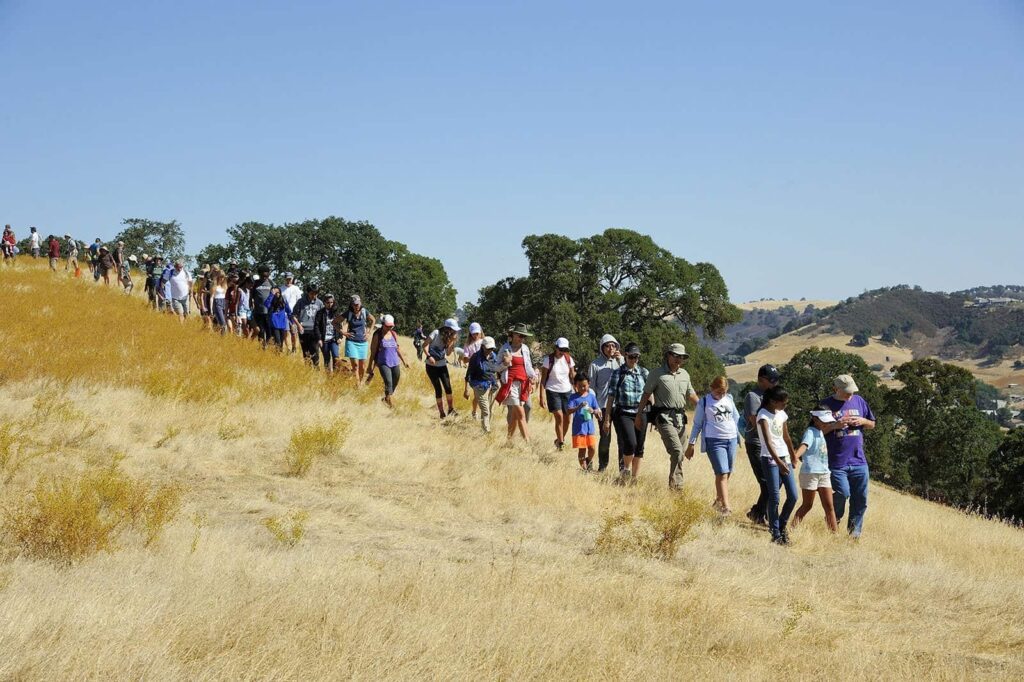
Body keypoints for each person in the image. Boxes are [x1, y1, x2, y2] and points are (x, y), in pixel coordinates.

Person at [813, 374, 876, 539]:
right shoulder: (825, 405)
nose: (850, 395)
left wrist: (862, 421)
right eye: (847, 392)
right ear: (836, 389)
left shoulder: (859, 401)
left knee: (860, 500)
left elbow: (872, 424)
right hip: (836, 461)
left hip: (859, 461)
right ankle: (834, 520)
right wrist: (836, 425)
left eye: (852, 391)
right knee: (842, 493)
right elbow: (816, 431)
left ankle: (854, 535)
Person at [634, 343, 699, 490]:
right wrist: (639, 414)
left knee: (680, 454)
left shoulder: (685, 375)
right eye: (675, 355)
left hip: (681, 418)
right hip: (663, 417)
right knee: (677, 450)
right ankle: (676, 486)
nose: (678, 359)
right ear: (668, 355)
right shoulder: (656, 374)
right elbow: (646, 394)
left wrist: (704, 408)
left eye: (681, 357)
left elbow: (691, 394)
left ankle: (676, 486)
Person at [686, 376, 742, 514]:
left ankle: (718, 501)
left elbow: (737, 418)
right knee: (721, 472)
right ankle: (726, 507)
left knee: (727, 472)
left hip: (731, 439)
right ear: (712, 388)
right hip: (714, 441)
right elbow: (697, 424)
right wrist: (691, 444)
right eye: (718, 392)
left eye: (723, 392)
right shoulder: (704, 402)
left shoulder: (729, 399)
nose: (721, 395)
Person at [603, 342, 650, 484]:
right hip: (624, 412)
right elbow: (611, 396)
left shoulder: (644, 372)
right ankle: (625, 471)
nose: (634, 360)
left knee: (640, 446)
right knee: (630, 442)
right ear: (625, 355)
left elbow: (649, 394)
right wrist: (607, 418)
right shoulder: (618, 373)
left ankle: (635, 479)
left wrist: (653, 413)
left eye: (637, 357)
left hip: (641, 412)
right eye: (631, 357)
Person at [757, 386, 798, 545]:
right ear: (773, 401)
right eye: (783, 403)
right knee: (774, 496)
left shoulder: (781, 414)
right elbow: (768, 442)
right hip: (770, 458)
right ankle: (775, 532)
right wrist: (778, 462)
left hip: (784, 457)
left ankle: (782, 524)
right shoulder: (763, 415)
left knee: (793, 495)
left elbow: (786, 437)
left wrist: (792, 456)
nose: (785, 406)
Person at [742, 364, 781, 525]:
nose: (775, 383)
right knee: (766, 481)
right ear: (761, 380)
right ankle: (760, 514)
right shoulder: (753, 396)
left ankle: (758, 513)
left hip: (771, 444)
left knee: (775, 482)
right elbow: (754, 420)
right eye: (771, 380)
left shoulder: (773, 397)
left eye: (776, 380)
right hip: (757, 443)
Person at [792, 409, 839, 532]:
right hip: (810, 473)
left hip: (824, 473)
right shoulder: (810, 432)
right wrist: (795, 457)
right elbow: (804, 445)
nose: (827, 424)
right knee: (807, 505)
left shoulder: (820, 431)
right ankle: (792, 528)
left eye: (828, 421)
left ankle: (835, 535)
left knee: (829, 507)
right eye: (824, 421)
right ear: (815, 419)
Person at [496, 324, 536, 442]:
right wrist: (505, 363)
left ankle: (509, 440)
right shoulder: (505, 349)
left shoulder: (525, 349)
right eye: (519, 335)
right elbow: (496, 367)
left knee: (520, 411)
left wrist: (533, 377)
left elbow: (528, 365)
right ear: (512, 335)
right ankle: (527, 441)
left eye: (523, 336)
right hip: (511, 384)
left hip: (523, 384)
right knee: (521, 413)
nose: (521, 338)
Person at [588, 334, 622, 471]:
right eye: (607, 346)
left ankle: (623, 467)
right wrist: (593, 407)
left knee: (622, 438)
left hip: (619, 405)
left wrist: (620, 360)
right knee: (605, 437)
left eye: (613, 345)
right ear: (602, 348)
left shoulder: (620, 362)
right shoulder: (595, 364)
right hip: (602, 405)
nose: (610, 348)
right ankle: (602, 466)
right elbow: (591, 388)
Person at [539, 337, 576, 451]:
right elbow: (543, 378)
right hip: (552, 390)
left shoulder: (569, 359)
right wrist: (542, 396)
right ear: (556, 348)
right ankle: (561, 444)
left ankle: (559, 439)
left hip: (567, 391)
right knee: (559, 417)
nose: (562, 352)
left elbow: (572, 376)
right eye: (560, 349)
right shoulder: (548, 360)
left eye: (565, 349)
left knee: (567, 419)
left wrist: (578, 391)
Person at [465, 336, 508, 433]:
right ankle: (487, 431)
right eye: (488, 348)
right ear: (483, 346)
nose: (490, 350)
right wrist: (466, 389)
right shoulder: (475, 358)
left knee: (490, 409)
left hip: (493, 385)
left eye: (492, 348)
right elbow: (469, 374)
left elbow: (496, 370)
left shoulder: (494, 356)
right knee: (485, 410)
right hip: (479, 386)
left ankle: (487, 428)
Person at [366, 314, 410, 406]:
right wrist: (370, 366)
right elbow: (373, 352)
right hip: (383, 363)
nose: (389, 328)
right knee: (388, 382)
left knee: (396, 380)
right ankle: (390, 403)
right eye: (387, 326)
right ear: (383, 324)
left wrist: (404, 361)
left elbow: (397, 348)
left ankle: (387, 398)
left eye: (391, 326)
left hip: (395, 362)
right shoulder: (377, 335)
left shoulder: (393, 334)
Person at [424, 318, 460, 419]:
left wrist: (452, 342)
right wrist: (429, 356)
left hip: (442, 365)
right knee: (438, 390)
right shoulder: (435, 333)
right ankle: (441, 413)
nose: (454, 332)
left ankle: (451, 409)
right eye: (453, 330)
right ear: (447, 328)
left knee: (448, 388)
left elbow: (448, 353)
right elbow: (425, 345)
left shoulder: (449, 337)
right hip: (431, 366)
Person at [566, 373, 602, 471]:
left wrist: (593, 411)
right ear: (575, 386)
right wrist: (578, 407)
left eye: (584, 386)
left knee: (592, 448)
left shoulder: (591, 397)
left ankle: (588, 460)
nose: (582, 388)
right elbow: (568, 410)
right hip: (578, 428)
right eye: (580, 386)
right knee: (582, 449)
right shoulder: (573, 397)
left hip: (590, 427)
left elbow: (598, 411)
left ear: (589, 384)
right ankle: (585, 470)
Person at [341, 295, 376, 382]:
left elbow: (373, 320)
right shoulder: (348, 313)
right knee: (355, 365)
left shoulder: (364, 312)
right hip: (351, 342)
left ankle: (360, 381)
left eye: (358, 304)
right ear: (351, 305)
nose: (356, 306)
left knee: (362, 367)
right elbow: (335, 322)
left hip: (363, 342)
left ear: (360, 303)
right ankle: (358, 386)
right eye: (354, 305)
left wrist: (369, 333)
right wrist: (343, 332)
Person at [291, 283, 325, 367]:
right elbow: (293, 315)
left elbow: (323, 318)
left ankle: (316, 369)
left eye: (316, 293)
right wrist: (299, 325)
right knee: (306, 352)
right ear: (308, 292)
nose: (314, 295)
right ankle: (308, 370)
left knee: (315, 350)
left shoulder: (319, 303)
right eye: (312, 293)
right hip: (303, 330)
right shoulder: (300, 302)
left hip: (315, 330)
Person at [461, 322, 485, 419]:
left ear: (480, 332)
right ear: (470, 333)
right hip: (474, 371)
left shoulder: (484, 341)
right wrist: (474, 357)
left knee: (483, 395)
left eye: (477, 333)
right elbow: (465, 359)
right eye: (473, 333)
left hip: (484, 370)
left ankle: (484, 413)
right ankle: (475, 412)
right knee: (477, 396)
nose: (475, 335)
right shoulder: (468, 345)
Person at [251, 267, 274, 347]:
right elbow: (251, 296)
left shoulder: (271, 283)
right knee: (260, 331)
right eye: (263, 276)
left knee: (269, 331)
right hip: (258, 311)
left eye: (266, 276)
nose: (265, 277)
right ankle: (261, 347)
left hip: (269, 312)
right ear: (260, 275)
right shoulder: (255, 284)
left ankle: (268, 345)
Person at [317, 294, 340, 371]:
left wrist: (339, 337)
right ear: (324, 302)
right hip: (324, 340)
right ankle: (328, 378)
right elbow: (316, 326)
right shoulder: (320, 313)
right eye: (328, 302)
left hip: (334, 339)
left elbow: (339, 325)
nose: (330, 304)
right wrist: (319, 339)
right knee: (327, 359)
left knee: (336, 357)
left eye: (331, 302)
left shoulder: (336, 313)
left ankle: (336, 377)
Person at [281, 273, 302, 352]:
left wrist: (298, 313)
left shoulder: (296, 289)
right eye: (287, 279)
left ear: (292, 279)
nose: (288, 280)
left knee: (294, 332)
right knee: (286, 331)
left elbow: (299, 301)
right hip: (284, 314)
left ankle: (294, 347)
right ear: (285, 279)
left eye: (290, 279)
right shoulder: (281, 288)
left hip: (294, 314)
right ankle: (288, 348)